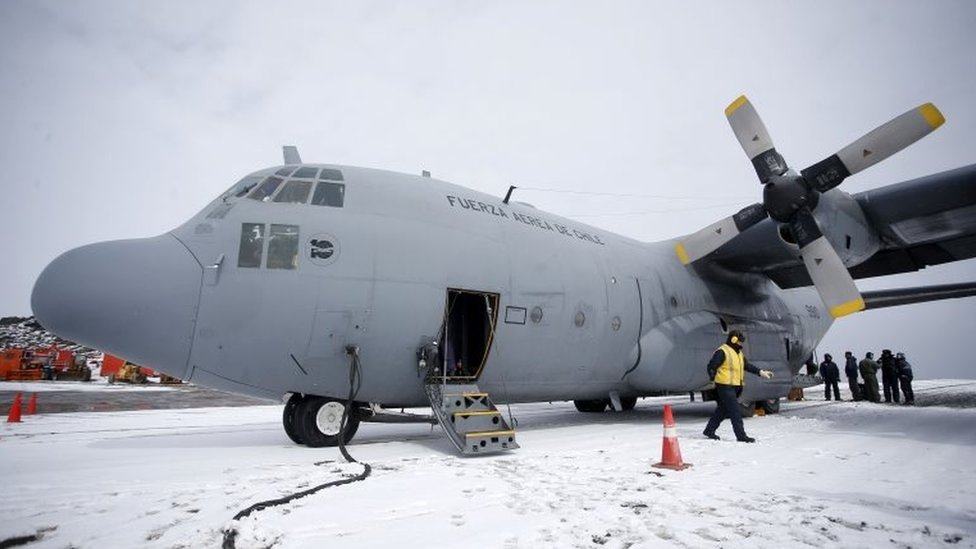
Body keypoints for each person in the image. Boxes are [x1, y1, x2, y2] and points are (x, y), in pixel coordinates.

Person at [702, 330, 774, 443]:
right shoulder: (722, 351)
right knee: (735, 411)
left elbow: (747, 366)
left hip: (735, 387)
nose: (741, 344)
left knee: (722, 410)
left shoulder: (738, 353)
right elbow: (711, 366)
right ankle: (741, 436)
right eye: (740, 341)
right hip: (725, 386)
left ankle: (709, 430)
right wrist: (712, 378)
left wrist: (760, 372)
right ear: (734, 340)